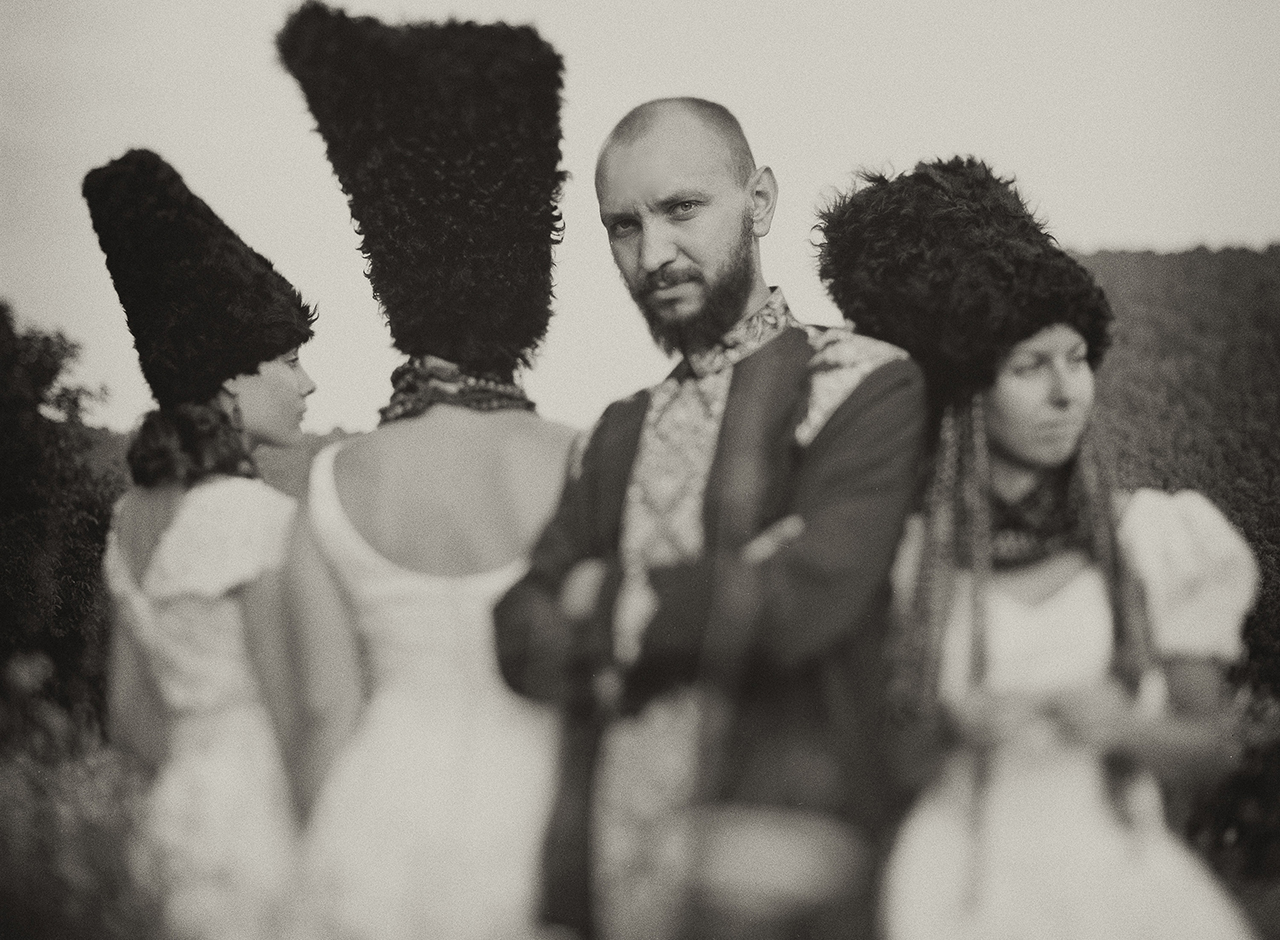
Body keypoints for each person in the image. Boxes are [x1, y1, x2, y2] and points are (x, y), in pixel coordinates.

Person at [494, 97, 928, 940]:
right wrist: (716, 592)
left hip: (784, 871)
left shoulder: (860, 385)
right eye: (624, 226)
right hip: (607, 879)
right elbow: (518, 631)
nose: (654, 253)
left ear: (759, 201)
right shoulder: (611, 436)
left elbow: (800, 603)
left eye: (682, 209)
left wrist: (601, 601)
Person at [816, 156, 1259, 940]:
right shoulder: (915, 554)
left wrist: (1125, 729)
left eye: (1078, 360)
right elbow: (883, 762)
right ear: (974, 393)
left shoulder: (1153, 539)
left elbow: (1215, 746)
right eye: (1030, 367)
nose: (1066, 392)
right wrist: (954, 728)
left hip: (1117, 888)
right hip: (958, 889)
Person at [274, 5, 575, 939]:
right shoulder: (581, 458)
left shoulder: (333, 481)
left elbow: (325, 710)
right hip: (534, 827)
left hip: (375, 829)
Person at [84, 148, 317, 940]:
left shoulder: (128, 518)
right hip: (262, 823)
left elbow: (129, 719)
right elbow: (300, 710)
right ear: (229, 376)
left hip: (177, 822)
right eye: (289, 360)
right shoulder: (253, 519)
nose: (307, 384)